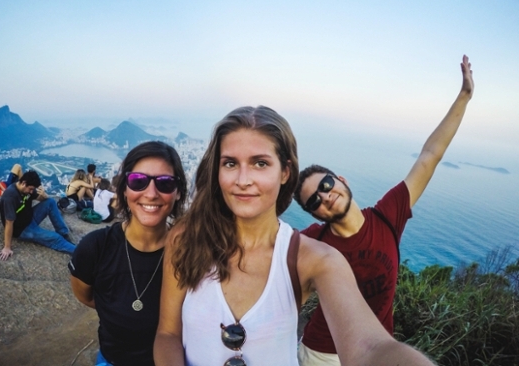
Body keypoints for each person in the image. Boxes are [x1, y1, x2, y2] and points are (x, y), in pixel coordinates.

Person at [154, 106, 435, 365]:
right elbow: (168, 334)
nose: (242, 180)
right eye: (230, 164)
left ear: (285, 171)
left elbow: (370, 348)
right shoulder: (186, 239)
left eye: (260, 163)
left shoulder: (313, 259)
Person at [292, 55, 474, 365]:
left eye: (325, 184)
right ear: (314, 214)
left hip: (377, 349)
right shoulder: (313, 240)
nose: (324, 197)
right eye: (313, 202)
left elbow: (430, 155)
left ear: (340, 179)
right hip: (322, 353)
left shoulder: (388, 215)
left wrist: (464, 96)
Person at [68, 141, 188, 366]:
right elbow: (86, 296)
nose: (151, 194)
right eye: (138, 181)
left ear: (178, 192)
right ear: (124, 188)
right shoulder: (95, 248)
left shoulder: (189, 253)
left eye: (165, 183)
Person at [0, 170, 75, 261]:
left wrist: (44, 195)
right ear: (23, 183)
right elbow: (9, 222)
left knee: (50, 202)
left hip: (30, 217)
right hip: (21, 229)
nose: (32, 191)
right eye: (30, 189)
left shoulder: (27, 189)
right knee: (56, 238)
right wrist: (7, 247)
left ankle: (63, 233)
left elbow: (41, 199)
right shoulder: (10, 196)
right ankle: (80, 251)